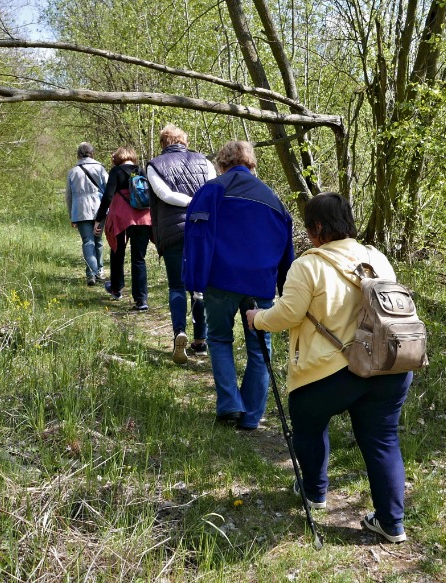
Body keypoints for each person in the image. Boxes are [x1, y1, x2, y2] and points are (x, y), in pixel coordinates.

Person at [245, 192, 413, 544]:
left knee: (307, 419)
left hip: (333, 371)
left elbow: (287, 314)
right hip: (390, 365)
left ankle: (314, 491)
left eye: (309, 227)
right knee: (383, 440)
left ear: (317, 227)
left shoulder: (309, 264)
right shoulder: (376, 257)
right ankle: (391, 523)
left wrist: (257, 319)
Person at [183, 140, 294, 430]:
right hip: (261, 283)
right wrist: (285, 287)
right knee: (260, 348)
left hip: (220, 279)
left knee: (219, 339)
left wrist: (193, 279)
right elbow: (287, 247)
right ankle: (251, 417)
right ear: (251, 163)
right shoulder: (273, 198)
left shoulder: (214, 189)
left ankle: (230, 404)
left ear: (222, 162)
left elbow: (197, 235)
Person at [147, 124, 216, 363]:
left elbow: (164, 194)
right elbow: (213, 189)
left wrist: (187, 201)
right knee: (199, 287)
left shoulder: (154, 165)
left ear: (163, 143)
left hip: (173, 233)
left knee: (176, 286)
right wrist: (197, 202)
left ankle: (179, 332)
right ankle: (201, 341)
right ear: (183, 141)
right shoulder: (204, 161)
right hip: (202, 229)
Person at [94, 147, 152, 311]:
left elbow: (108, 196)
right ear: (132, 157)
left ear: (117, 159)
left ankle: (116, 289)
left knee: (117, 252)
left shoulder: (116, 171)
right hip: (143, 217)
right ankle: (141, 300)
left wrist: (99, 219)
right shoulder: (140, 170)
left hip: (121, 218)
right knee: (139, 259)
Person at [65, 142, 108, 285]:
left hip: (80, 210)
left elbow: (69, 196)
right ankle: (100, 270)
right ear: (92, 153)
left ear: (78, 154)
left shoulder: (73, 172)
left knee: (87, 241)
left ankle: (91, 273)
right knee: (98, 239)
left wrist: (71, 214)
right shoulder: (100, 168)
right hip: (99, 209)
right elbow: (108, 189)